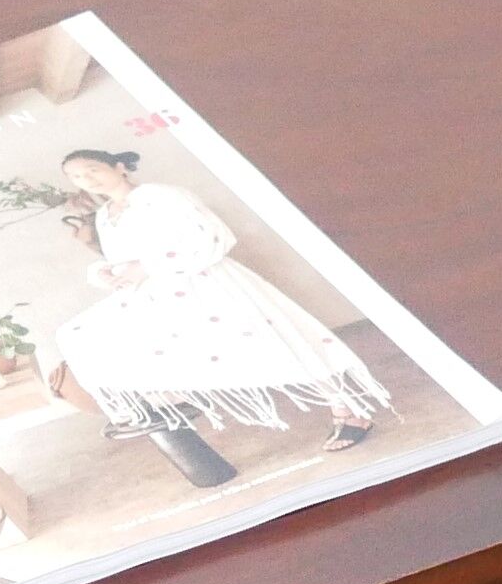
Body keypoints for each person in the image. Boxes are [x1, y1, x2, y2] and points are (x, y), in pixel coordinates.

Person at [38, 148, 386, 489]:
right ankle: (160, 401)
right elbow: (125, 258)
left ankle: (349, 411)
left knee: (277, 344)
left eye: (92, 170)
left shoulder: (161, 195)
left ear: (118, 167)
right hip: (158, 295)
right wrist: (109, 273)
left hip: (204, 283)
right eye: (77, 177)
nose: (87, 180)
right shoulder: (104, 215)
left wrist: (146, 266)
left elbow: (208, 236)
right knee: (79, 334)